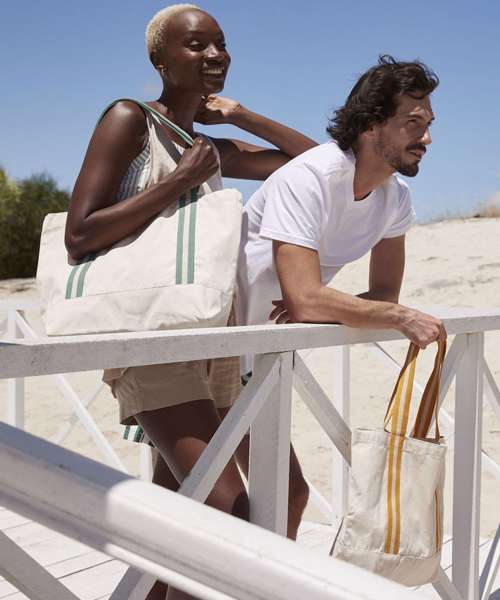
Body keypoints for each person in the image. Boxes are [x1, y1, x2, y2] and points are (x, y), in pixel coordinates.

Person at [65, 4, 315, 600]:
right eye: (197, 45)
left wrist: (243, 115)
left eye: (221, 44)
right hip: (153, 338)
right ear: (160, 59)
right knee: (224, 511)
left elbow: (314, 167)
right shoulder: (129, 119)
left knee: (236, 501)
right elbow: (79, 233)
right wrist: (180, 179)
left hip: (213, 337)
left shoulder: (208, 146)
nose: (215, 55)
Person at [238, 55, 447, 350]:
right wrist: (400, 317)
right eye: (413, 122)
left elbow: (385, 294)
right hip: (217, 333)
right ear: (371, 124)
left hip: (276, 344)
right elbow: (305, 301)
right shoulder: (309, 178)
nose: (426, 138)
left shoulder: (397, 197)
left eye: (428, 124)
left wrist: (322, 305)